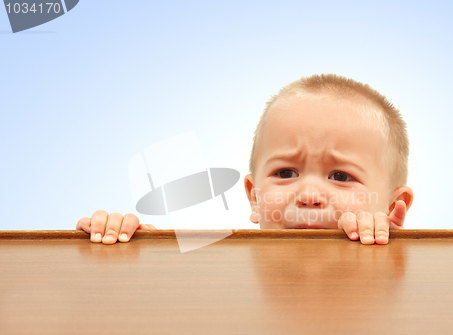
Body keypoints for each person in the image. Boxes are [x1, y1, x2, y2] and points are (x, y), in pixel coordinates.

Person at [77, 74, 413, 245]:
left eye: (340, 176)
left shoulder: (407, 279)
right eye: (285, 172)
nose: (310, 195)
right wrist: (133, 250)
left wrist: (391, 249)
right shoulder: (228, 273)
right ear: (254, 197)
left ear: (394, 206)